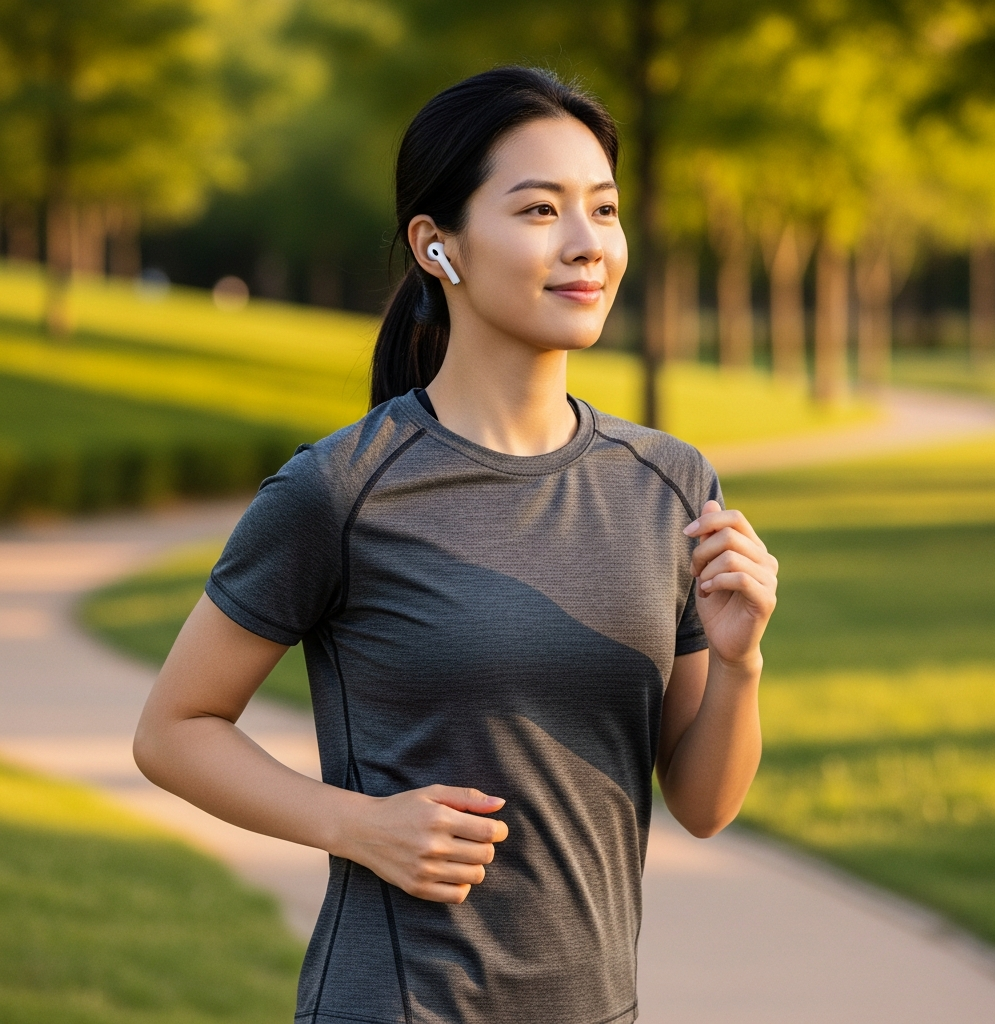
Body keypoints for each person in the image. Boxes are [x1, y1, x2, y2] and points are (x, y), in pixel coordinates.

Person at [134, 66, 778, 1024]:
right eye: (538, 210)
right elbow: (173, 731)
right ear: (439, 248)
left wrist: (739, 662)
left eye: (603, 210)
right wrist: (358, 826)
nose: (585, 245)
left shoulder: (669, 483)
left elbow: (703, 803)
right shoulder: (345, 488)